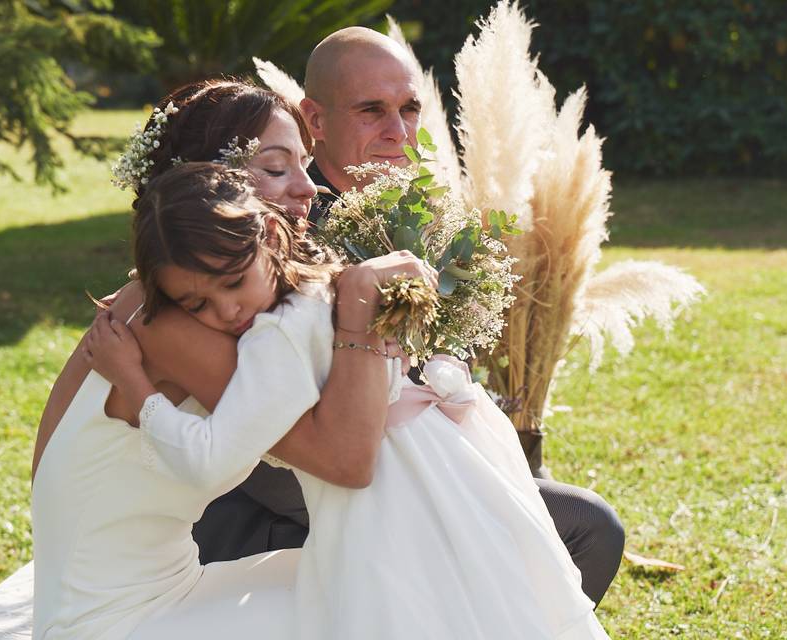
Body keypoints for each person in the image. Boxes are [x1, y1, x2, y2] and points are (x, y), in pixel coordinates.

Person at [85, 161, 610, 639]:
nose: (226, 312)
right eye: (196, 303)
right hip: (440, 469)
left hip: (382, 507)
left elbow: (206, 461)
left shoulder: (275, 338)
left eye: (232, 283)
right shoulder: (323, 289)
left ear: (270, 234)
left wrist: (135, 385)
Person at [31, 81, 434, 638]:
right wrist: (361, 296)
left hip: (173, 581)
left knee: (403, 577)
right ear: (207, 185)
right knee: (398, 597)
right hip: (113, 620)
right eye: (274, 168)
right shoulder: (174, 325)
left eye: (303, 163)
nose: (307, 187)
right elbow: (347, 462)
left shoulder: (193, 301)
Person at [301, 25, 624, 604]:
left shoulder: (423, 213)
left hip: (426, 456)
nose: (398, 132)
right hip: (335, 483)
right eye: (371, 111)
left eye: (408, 108)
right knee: (587, 530)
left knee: (581, 525)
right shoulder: (292, 226)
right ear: (315, 121)